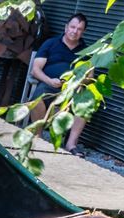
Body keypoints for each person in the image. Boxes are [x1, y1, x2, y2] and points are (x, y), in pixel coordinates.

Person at [29, 13, 88, 156]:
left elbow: (89, 76)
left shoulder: (86, 50)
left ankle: (71, 144)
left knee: (86, 103)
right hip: (49, 84)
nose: (75, 31)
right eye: (72, 27)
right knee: (37, 99)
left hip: (72, 89)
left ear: (83, 32)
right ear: (66, 27)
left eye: (79, 29)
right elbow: (35, 70)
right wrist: (49, 80)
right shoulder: (51, 43)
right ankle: (38, 137)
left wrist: (76, 84)